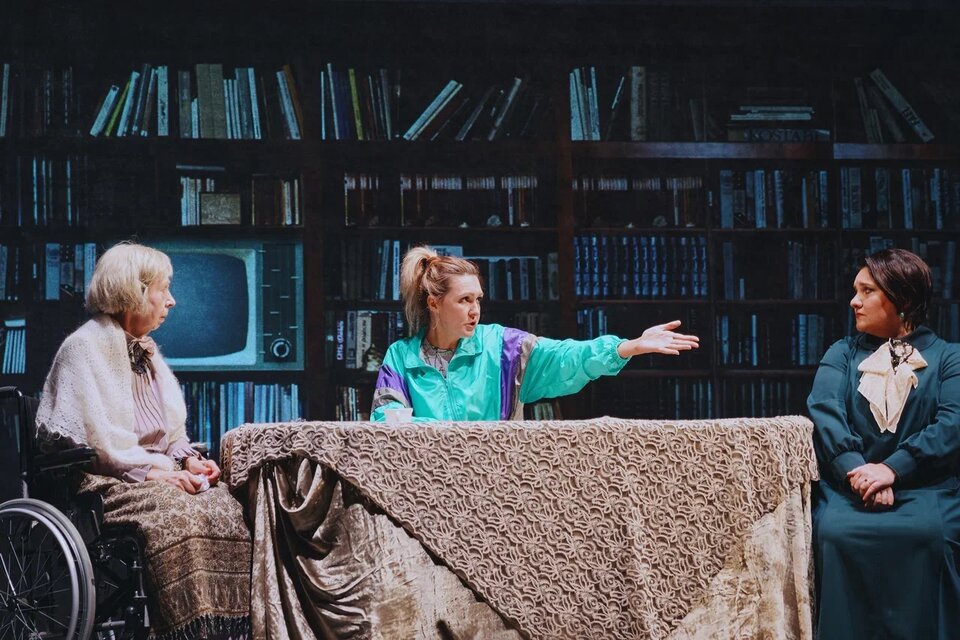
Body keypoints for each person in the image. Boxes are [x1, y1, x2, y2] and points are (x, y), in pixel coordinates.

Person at [35, 242, 251, 640]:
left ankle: (230, 627)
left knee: (227, 504)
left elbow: (168, 434)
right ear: (134, 292)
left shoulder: (147, 353)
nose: (171, 300)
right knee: (176, 512)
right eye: (163, 289)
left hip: (155, 474)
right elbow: (92, 449)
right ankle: (188, 629)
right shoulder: (83, 349)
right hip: (103, 484)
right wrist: (153, 475)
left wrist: (188, 461)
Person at [807, 248, 960, 640]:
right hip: (849, 492)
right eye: (855, 290)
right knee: (835, 533)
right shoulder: (842, 354)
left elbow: (953, 423)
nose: (853, 301)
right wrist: (860, 474)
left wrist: (893, 469)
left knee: (930, 536)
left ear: (902, 299)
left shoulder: (949, 358)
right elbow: (825, 411)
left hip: (926, 490)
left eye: (867, 291)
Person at [372, 245, 700, 421]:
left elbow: (567, 356)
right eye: (464, 300)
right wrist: (454, 436)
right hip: (429, 486)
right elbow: (387, 422)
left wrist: (626, 347)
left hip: (497, 482)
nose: (475, 310)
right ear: (434, 303)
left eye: (478, 299)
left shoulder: (503, 348)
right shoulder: (402, 357)